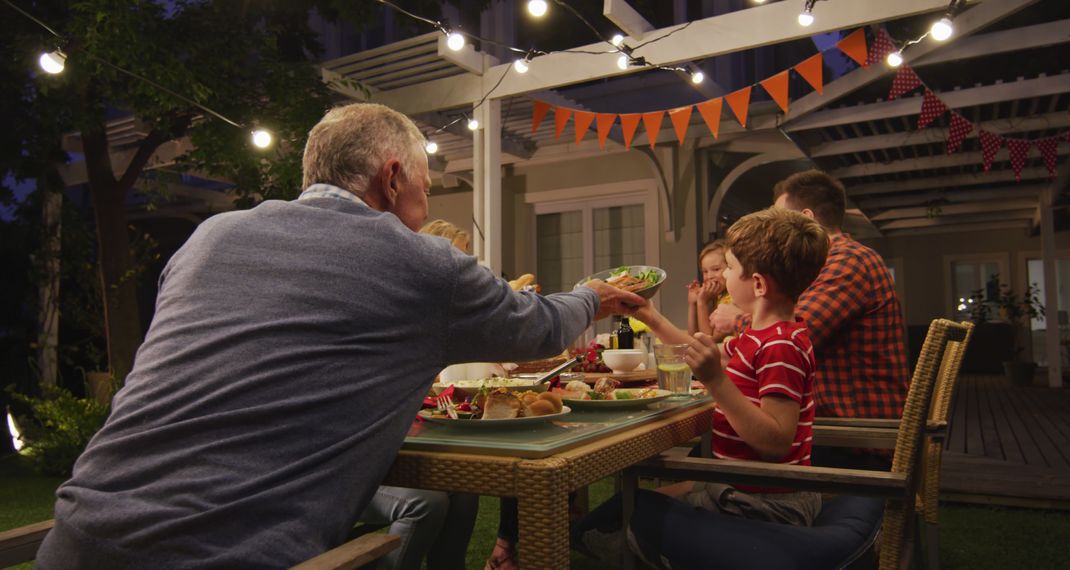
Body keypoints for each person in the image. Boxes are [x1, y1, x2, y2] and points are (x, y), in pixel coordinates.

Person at [36, 103, 646, 569]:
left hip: (75, 540)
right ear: (392, 177)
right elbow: (539, 329)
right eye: (425, 189)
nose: (426, 203)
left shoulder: (208, 238)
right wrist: (593, 295)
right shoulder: (423, 263)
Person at [631, 207, 830, 526]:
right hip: (737, 486)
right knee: (629, 509)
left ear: (759, 285)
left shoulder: (781, 346)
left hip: (768, 503)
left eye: (730, 268)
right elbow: (695, 349)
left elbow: (776, 442)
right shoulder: (757, 335)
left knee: (624, 521)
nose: (722, 275)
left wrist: (715, 381)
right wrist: (650, 317)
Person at [712, 170, 909, 471]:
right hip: (834, 426)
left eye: (777, 218)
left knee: (725, 444)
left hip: (858, 437)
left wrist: (737, 318)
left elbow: (799, 328)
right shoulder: (839, 259)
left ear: (805, 218)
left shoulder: (847, 259)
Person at [359, 219, 479, 570]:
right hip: (343, 469)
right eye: (458, 261)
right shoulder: (390, 314)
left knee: (465, 490)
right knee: (428, 502)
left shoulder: (425, 316)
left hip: (385, 449)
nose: (466, 273)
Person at [687, 239, 736, 342]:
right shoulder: (718, 296)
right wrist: (692, 304)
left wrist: (702, 303)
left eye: (716, 269)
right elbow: (693, 337)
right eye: (705, 271)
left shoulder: (733, 299)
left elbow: (708, 341)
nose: (709, 276)